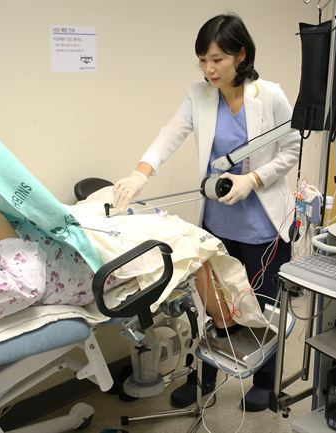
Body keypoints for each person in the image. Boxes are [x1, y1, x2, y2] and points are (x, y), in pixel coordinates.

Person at [112, 14, 300, 412]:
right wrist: (140, 173)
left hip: (263, 223)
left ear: (241, 54)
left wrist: (256, 180)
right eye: (203, 60)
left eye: (217, 59)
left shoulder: (270, 95)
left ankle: (265, 382)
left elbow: (291, 148)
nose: (209, 69)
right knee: (212, 305)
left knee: (259, 307)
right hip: (216, 222)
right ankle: (205, 377)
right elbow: (171, 133)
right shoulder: (199, 95)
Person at [0, 205, 238, 333]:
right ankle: (226, 324)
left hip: (55, 230)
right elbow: (25, 285)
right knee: (189, 240)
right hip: (79, 261)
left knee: (150, 217)